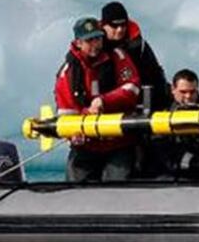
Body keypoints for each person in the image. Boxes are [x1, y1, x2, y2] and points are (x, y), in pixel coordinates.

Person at [55, 16, 141, 182]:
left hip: (119, 143)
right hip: (86, 145)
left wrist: (104, 100)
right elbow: (67, 112)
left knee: (117, 186)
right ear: (78, 43)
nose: (96, 44)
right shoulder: (68, 73)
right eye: (90, 40)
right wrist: (73, 134)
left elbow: (131, 87)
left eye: (98, 39)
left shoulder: (118, 57)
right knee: (74, 189)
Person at [100, 1, 170, 111]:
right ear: (104, 25)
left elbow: (155, 75)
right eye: (114, 26)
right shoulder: (95, 47)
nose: (120, 30)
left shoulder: (138, 46)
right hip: (103, 105)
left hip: (138, 104)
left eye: (123, 25)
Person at [157, 69, 199, 180]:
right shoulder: (162, 115)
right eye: (183, 92)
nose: (188, 97)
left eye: (192, 92)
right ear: (173, 89)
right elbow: (161, 150)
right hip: (170, 174)